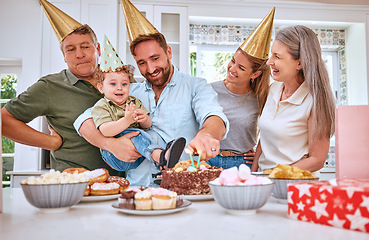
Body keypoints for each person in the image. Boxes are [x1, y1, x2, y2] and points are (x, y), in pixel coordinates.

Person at [74, 0, 229, 186]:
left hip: (182, 188)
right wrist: (110, 145)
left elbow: (214, 117)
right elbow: (83, 121)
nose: (150, 68)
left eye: (155, 58)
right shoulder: (128, 91)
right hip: (136, 189)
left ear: (169, 52)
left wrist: (207, 135)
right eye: (141, 63)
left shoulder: (195, 86)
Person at [0, 0, 126, 174]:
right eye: (71, 49)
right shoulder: (50, 87)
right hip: (73, 188)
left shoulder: (120, 82)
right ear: (64, 56)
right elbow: (4, 121)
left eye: (85, 46)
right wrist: (51, 142)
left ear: (97, 49)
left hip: (122, 186)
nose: (80, 54)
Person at [92, 35, 186, 171]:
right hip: (114, 155)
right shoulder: (101, 106)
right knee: (134, 132)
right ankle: (161, 157)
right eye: (113, 84)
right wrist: (127, 120)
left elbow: (148, 125)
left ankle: (160, 158)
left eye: (124, 84)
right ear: (101, 88)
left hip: (138, 155)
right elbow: (106, 131)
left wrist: (144, 119)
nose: (119, 88)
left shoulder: (133, 101)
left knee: (147, 133)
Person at [251, 25, 336, 173]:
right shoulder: (273, 90)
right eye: (271, 55)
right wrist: (254, 173)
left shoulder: (314, 103)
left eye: (277, 56)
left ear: (300, 63)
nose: (269, 62)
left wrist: (276, 173)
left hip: (295, 185)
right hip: (265, 181)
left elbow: (317, 160)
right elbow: (264, 139)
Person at [208, 8, 274, 170]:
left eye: (241, 68)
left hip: (243, 163)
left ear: (255, 74)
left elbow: (271, 132)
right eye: (232, 61)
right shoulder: (209, 90)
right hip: (209, 161)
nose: (232, 68)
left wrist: (259, 154)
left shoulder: (260, 98)